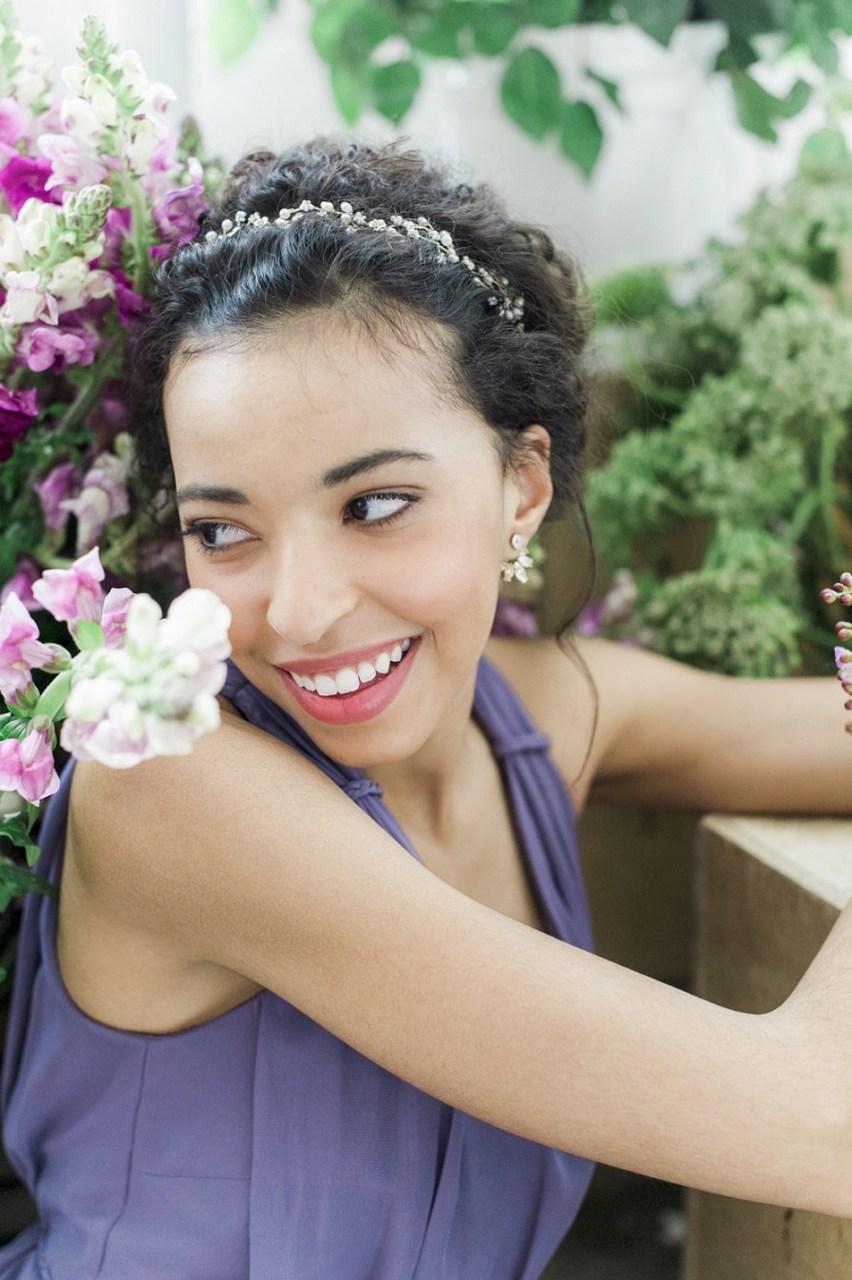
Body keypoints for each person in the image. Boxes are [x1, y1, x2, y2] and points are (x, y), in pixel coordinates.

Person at [1, 137, 851, 1280]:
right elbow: (824, 1120)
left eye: (377, 503)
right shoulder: (173, 784)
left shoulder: (549, 713)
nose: (297, 611)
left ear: (524, 486)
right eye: (223, 530)